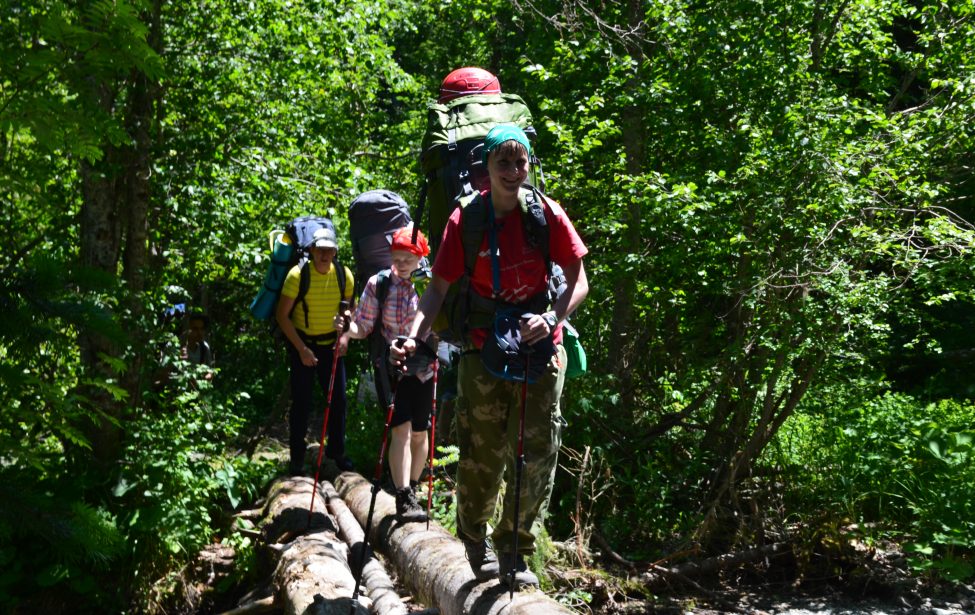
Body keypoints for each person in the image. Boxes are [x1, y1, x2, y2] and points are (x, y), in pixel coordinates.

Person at [392, 125, 589, 589]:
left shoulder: (547, 214)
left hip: (540, 349)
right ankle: (474, 538)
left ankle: (516, 552)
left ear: (529, 165)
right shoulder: (467, 219)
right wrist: (414, 338)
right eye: (504, 162)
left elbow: (579, 280)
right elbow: (437, 289)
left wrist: (551, 317)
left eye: (520, 162)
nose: (513, 171)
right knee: (483, 455)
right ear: (487, 166)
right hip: (483, 348)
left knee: (537, 453)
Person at [336, 226, 435, 523]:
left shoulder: (430, 284)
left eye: (409, 257)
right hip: (392, 368)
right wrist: (346, 329)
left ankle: (413, 490)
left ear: (420, 257)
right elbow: (364, 326)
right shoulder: (378, 284)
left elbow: (443, 324)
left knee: (420, 433)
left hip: (425, 367)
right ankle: (403, 495)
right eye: (398, 256)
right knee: (400, 430)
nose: (402, 262)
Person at [276, 226, 356, 475]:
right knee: (301, 403)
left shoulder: (344, 275)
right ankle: (297, 459)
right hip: (304, 346)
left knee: (339, 401)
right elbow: (282, 315)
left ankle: (336, 453)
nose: (324, 255)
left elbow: (349, 310)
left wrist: (346, 338)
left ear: (335, 251)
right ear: (311, 250)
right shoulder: (297, 276)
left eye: (329, 250)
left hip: (332, 346)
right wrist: (301, 349)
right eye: (320, 250)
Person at [182, 311, 214, 379]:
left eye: (202, 329)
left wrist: (207, 377)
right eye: (195, 329)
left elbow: (210, 371)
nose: (199, 333)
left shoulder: (204, 347)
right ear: (188, 329)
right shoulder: (176, 346)